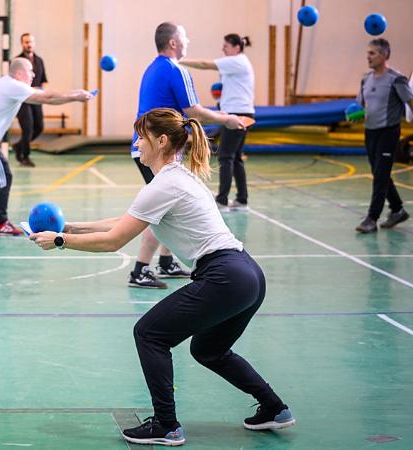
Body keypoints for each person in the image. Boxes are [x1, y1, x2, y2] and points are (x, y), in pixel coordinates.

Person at [31, 108, 294, 446]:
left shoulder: (165, 184)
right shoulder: (174, 178)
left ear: (162, 140)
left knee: (149, 333)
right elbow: (126, 219)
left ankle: (166, 425)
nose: (137, 142)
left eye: (142, 136)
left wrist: (60, 242)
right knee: (209, 350)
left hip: (224, 277)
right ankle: (274, 408)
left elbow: (114, 241)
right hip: (247, 275)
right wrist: (69, 227)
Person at [128, 22, 245, 289]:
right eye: (185, 37)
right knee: (160, 208)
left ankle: (166, 262)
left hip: (154, 147)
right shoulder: (175, 70)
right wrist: (227, 119)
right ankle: (140, 270)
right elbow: (194, 111)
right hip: (153, 149)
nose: (188, 41)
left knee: (168, 205)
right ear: (173, 43)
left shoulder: (153, 68)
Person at [0, 57, 91, 236]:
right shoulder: (14, 86)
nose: (34, 74)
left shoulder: (6, 83)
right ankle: (1, 223)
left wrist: (74, 92)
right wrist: (75, 97)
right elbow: (47, 98)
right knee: (4, 177)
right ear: (19, 73)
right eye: (30, 71)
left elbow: (39, 92)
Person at [180, 33, 255, 212]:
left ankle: (222, 201)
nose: (223, 49)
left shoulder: (237, 61)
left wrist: (180, 61)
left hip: (237, 113)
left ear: (236, 47)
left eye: (226, 46)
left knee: (225, 156)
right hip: (240, 111)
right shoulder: (236, 64)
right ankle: (242, 200)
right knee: (235, 157)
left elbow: (205, 65)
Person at [354, 38, 413, 233]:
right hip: (370, 132)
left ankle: (372, 218)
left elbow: (411, 103)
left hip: (388, 132)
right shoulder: (365, 79)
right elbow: (360, 107)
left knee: (380, 175)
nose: (367, 57)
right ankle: (397, 210)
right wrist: (355, 116)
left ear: (385, 55)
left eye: (373, 53)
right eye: (367, 53)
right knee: (380, 174)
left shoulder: (396, 79)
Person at [13, 33, 48, 167]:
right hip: (23, 100)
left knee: (39, 128)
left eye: (31, 42)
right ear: (22, 44)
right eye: (26, 42)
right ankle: (25, 156)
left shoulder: (39, 61)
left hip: (37, 98)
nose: (29, 44)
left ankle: (18, 146)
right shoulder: (17, 61)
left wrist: (44, 97)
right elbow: (14, 82)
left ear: (34, 43)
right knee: (27, 129)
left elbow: (42, 81)